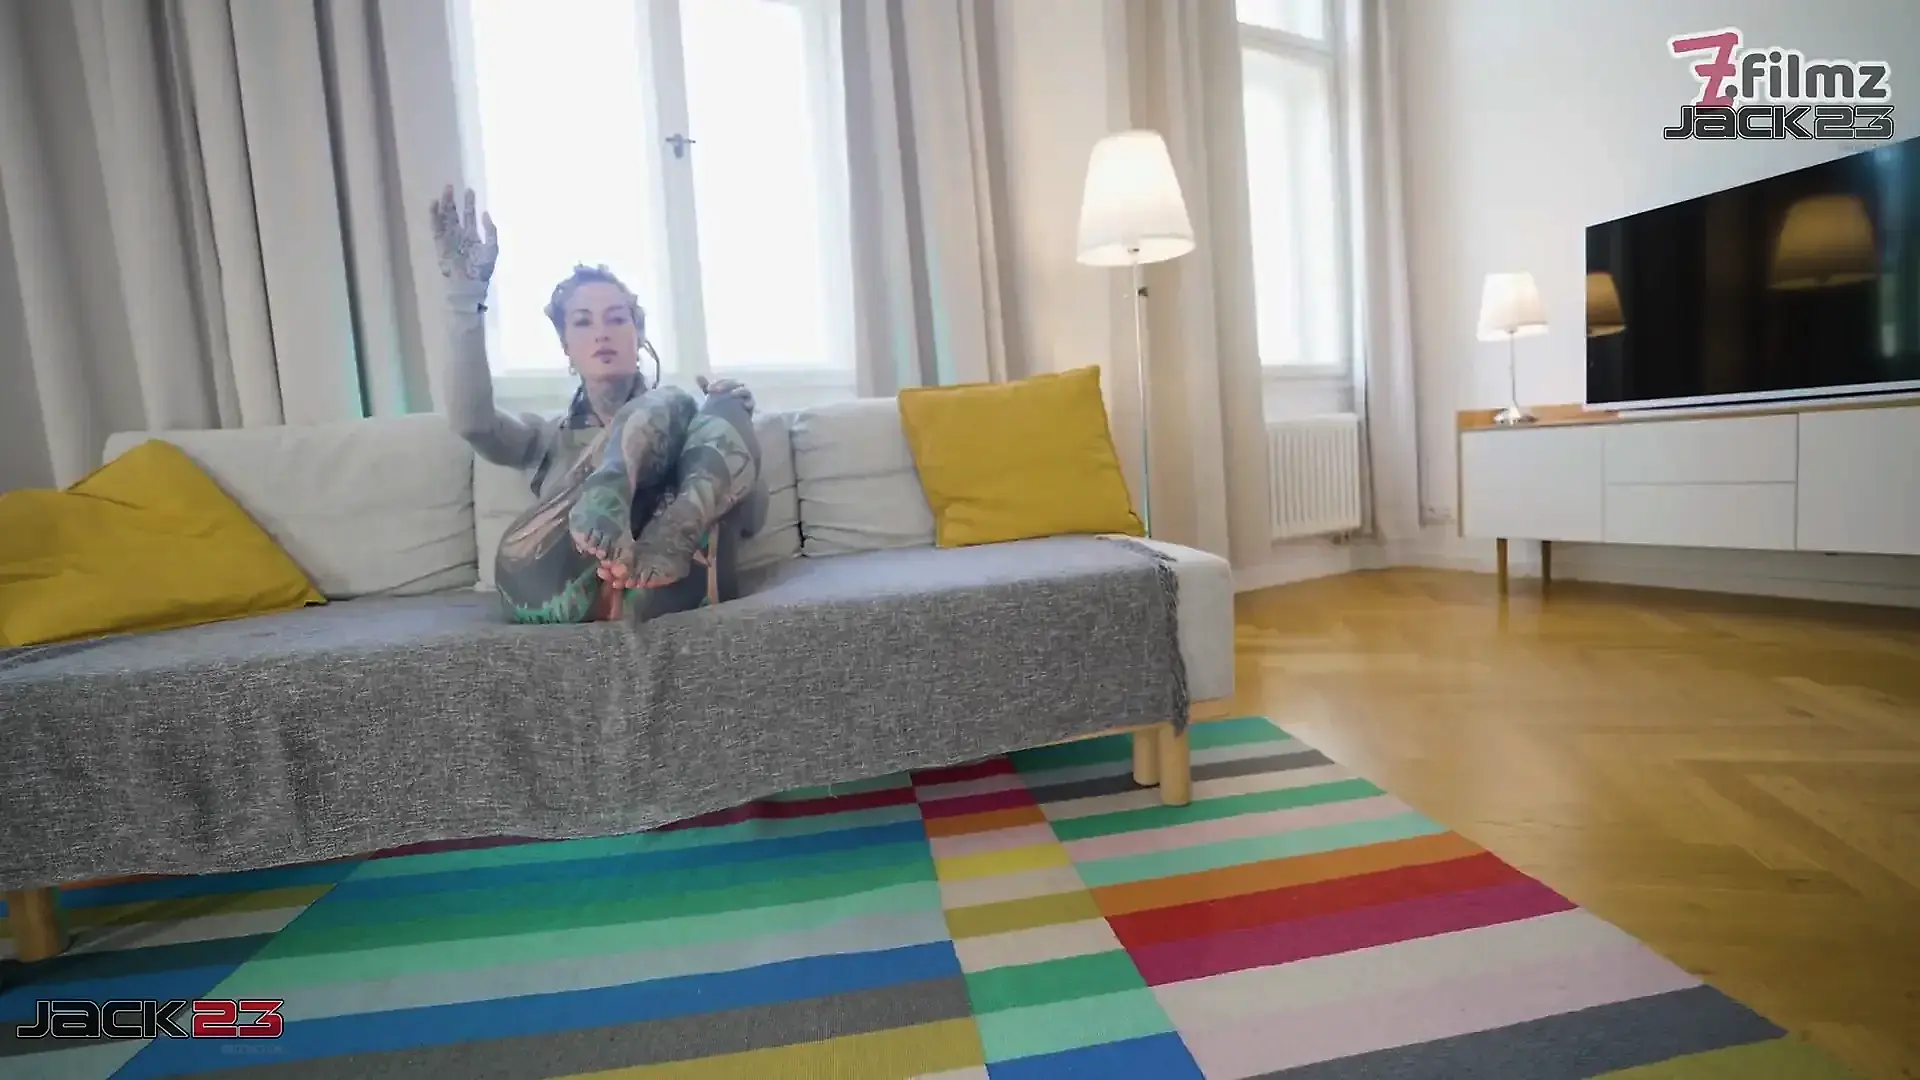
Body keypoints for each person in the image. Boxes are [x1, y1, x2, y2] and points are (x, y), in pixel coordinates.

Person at [430, 186, 765, 624]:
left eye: (616, 319)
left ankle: (672, 530)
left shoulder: (696, 429)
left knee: (699, 403)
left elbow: (752, 520)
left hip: (672, 591)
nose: (602, 333)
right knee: (674, 402)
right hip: (558, 592)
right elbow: (471, 423)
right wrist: (464, 300)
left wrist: (734, 420)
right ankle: (605, 499)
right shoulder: (545, 438)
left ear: (638, 335)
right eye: (583, 322)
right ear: (566, 345)